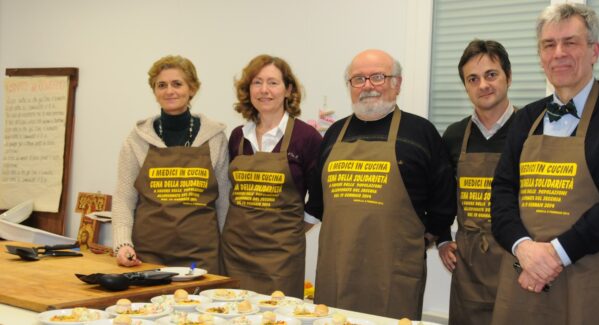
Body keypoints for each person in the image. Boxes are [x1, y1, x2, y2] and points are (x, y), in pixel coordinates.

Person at [490, 3, 599, 324]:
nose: (558, 53)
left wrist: (554, 256)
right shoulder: (526, 117)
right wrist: (523, 248)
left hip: (594, 283)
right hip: (524, 280)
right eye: (548, 45)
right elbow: (501, 192)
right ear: (540, 57)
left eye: (570, 42)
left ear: (594, 51)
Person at [307, 49, 456, 319]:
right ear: (349, 87)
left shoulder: (421, 133)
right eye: (358, 79)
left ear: (397, 84)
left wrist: (425, 238)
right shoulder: (332, 134)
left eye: (378, 77)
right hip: (336, 272)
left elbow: (445, 200)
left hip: (394, 275)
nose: (368, 86)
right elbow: (316, 203)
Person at [112, 55, 229, 274]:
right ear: (154, 92)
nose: (169, 91)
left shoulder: (214, 138)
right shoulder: (137, 139)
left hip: (201, 257)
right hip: (147, 256)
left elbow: (223, 200)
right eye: (161, 85)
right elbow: (123, 198)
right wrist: (122, 243)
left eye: (177, 84)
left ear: (192, 89)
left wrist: (228, 248)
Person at [220, 54, 322, 299]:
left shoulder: (306, 138)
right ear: (248, 90)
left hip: (281, 258)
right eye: (257, 82)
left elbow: (320, 197)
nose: (264, 90)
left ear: (288, 90)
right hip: (234, 253)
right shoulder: (237, 136)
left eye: (273, 83)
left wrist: (294, 230)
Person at [438, 39, 515, 325]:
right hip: (468, 266)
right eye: (473, 79)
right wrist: (443, 238)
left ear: (508, 76)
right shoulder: (455, 135)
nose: (483, 85)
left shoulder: (531, 130)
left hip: (517, 261)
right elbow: (441, 194)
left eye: (491, 75)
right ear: (466, 86)